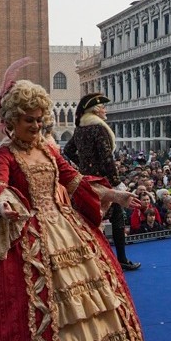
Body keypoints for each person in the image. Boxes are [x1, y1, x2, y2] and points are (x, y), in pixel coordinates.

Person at [0, 78, 148, 341]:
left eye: (39, 119)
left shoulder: (49, 150)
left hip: (64, 226)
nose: (36, 126)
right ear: (12, 120)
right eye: (29, 120)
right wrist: (3, 203)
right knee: (39, 311)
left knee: (89, 302)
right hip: (30, 233)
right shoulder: (4, 153)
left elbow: (74, 179)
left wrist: (116, 195)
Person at [63, 93, 140, 270]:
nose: (105, 110)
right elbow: (107, 158)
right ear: (96, 110)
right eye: (103, 107)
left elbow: (68, 150)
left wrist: (84, 165)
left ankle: (89, 260)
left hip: (86, 181)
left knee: (88, 219)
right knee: (117, 219)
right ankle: (120, 259)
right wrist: (116, 182)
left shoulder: (80, 129)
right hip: (103, 182)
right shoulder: (99, 129)